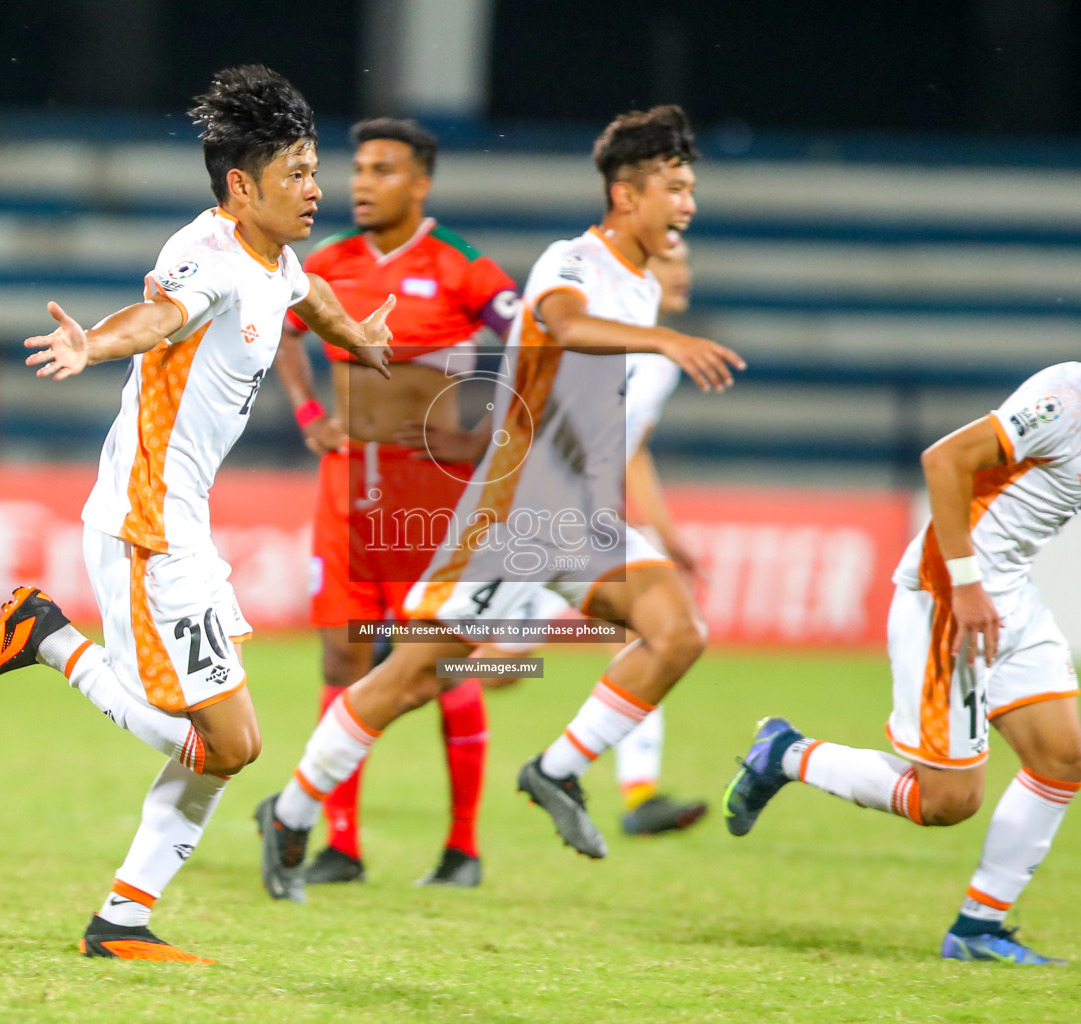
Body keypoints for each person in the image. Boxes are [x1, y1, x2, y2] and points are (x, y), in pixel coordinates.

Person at [0, 65, 394, 963]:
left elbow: (307, 295)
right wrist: (92, 344)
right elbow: (156, 319)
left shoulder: (275, 256)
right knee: (231, 743)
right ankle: (45, 637)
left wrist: (360, 338)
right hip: (145, 527)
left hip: (180, 525)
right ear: (242, 185)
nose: (317, 189)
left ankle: (121, 921)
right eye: (298, 173)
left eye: (316, 168)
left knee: (225, 744)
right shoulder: (209, 256)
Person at [254, 104, 745, 904]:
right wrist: (663, 343)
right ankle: (293, 810)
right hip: (513, 515)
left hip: (579, 518)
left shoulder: (646, 282)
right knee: (409, 679)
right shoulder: (571, 261)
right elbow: (562, 324)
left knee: (678, 631)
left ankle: (555, 772)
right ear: (628, 195)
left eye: (691, 189)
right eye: (676, 188)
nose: (688, 205)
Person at [723, 254, 1081, 964]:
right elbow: (945, 460)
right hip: (950, 594)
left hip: (1008, 598)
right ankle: (786, 754)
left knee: (1062, 759)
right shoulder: (1070, 399)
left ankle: (977, 930)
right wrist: (968, 585)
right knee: (947, 803)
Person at [271, 118, 519, 888]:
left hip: (428, 498)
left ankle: (463, 849)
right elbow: (281, 333)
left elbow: (535, 342)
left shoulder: (463, 268)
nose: (361, 182)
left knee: (440, 665)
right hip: (346, 491)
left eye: (384, 169)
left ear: (421, 183)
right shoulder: (328, 260)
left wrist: (485, 434)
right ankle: (339, 845)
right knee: (344, 656)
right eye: (360, 168)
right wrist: (310, 414)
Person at [445, 241, 709, 836]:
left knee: (653, 634)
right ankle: (402, 667)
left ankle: (638, 793)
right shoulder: (596, 337)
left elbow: (631, 448)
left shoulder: (659, 363)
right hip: (536, 515)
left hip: (586, 525)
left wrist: (664, 534)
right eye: (672, 261)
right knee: (502, 665)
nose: (684, 272)